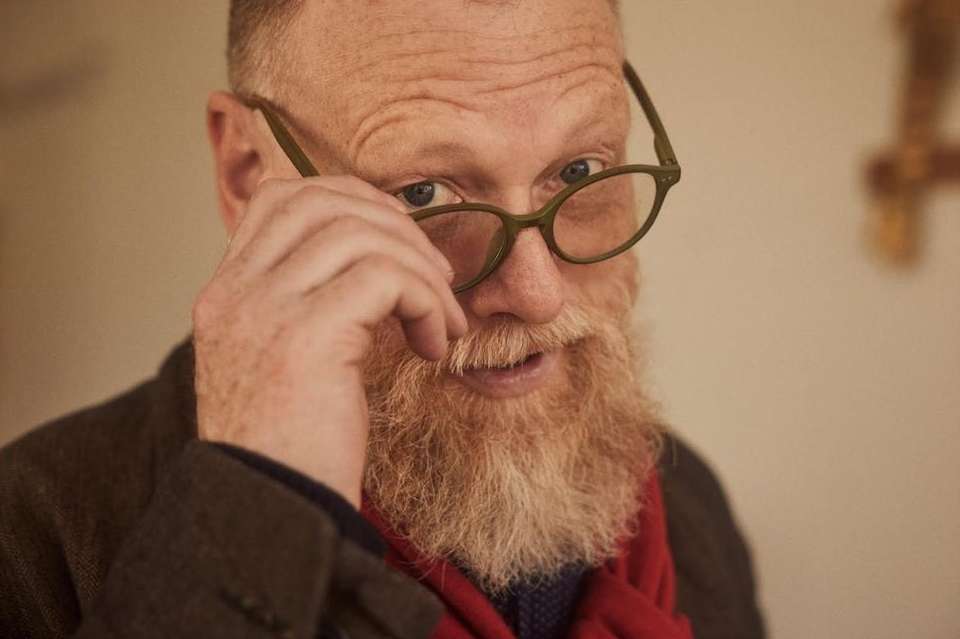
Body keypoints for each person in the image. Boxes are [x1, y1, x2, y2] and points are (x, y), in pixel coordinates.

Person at [0, 1, 765, 638]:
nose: (536, 293)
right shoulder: (30, 542)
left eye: (579, 171)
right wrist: (251, 519)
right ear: (247, 172)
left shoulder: (687, 502)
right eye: (424, 194)